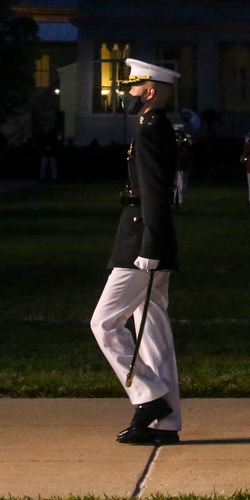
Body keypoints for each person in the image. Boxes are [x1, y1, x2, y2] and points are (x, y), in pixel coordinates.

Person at [90, 58, 183, 445]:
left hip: (140, 241)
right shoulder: (152, 128)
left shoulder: (150, 131)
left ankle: (149, 398)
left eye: (132, 87)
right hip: (145, 238)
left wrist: (150, 243)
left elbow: (157, 192)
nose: (125, 93)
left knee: (105, 323)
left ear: (149, 92)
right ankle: (166, 423)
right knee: (154, 332)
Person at [174, 125, 192, 206]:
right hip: (179, 166)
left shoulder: (185, 141)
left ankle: (180, 198)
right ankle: (178, 199)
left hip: (183, 165)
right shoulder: (177, 142)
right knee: (179, 183)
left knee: (182, 183)